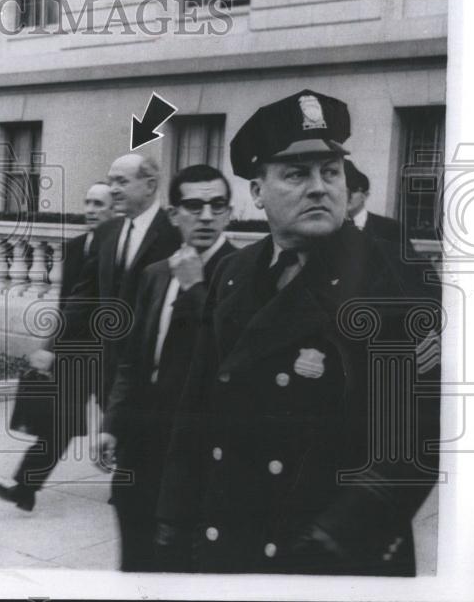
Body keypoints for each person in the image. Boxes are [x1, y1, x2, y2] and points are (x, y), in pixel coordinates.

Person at [154, 90, 440, 575]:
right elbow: (197, 409)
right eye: (296, 174)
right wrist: (173, 522)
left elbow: (415, 436)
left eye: (330, 172)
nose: (319, 187)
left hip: (330, 554)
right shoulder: (234, 273)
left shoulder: (393, 278)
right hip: (231, 538)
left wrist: (337, 538)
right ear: (258, 192)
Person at [100, 164, 237, 571]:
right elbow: (133, 359)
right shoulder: (156, 274)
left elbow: (228, 354)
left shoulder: (244, 273)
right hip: (142, 447)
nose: (207, 216)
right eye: (194, 206)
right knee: (135, 559)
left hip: (196, 453)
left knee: (178, 565)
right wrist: (112, 423)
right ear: (174, 214)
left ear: (230, 213)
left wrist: (196, 288)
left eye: (217, 205)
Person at [0, 181, 115, 511]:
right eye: (88, 202)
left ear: (115, 209)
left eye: (99, 204)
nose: (91, 210)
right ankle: (25, 487)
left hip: (113, 353)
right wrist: (50, 345)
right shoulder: (76, 247)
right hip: (75, 350)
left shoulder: (123, 247)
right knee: (59, 420)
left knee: (122, 419)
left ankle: (130, 483)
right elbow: (67, 304)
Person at [63, 154, 181, 413]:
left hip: (154, 373)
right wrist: (51, 346)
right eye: (110, 182)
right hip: (110, 371)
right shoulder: (108, 232)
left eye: (121, 182)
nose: (113, 189)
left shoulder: (174, 234)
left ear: (150, 185)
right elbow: (83, 296)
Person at [344, 159, 405, 243]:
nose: (347, 196)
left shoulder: (390, 228)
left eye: (353, 191)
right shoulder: (329, 227)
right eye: (343, 191)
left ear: (365, 195)